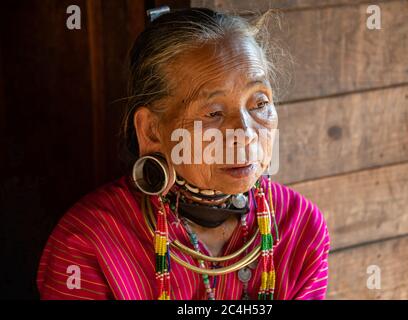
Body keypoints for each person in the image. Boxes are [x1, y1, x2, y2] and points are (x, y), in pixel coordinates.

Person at [37, 7, 330, 300]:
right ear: (152, 131)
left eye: (259, 104)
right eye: (214, 112)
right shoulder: (88, 243)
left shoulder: (299, 227)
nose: (245, 134)